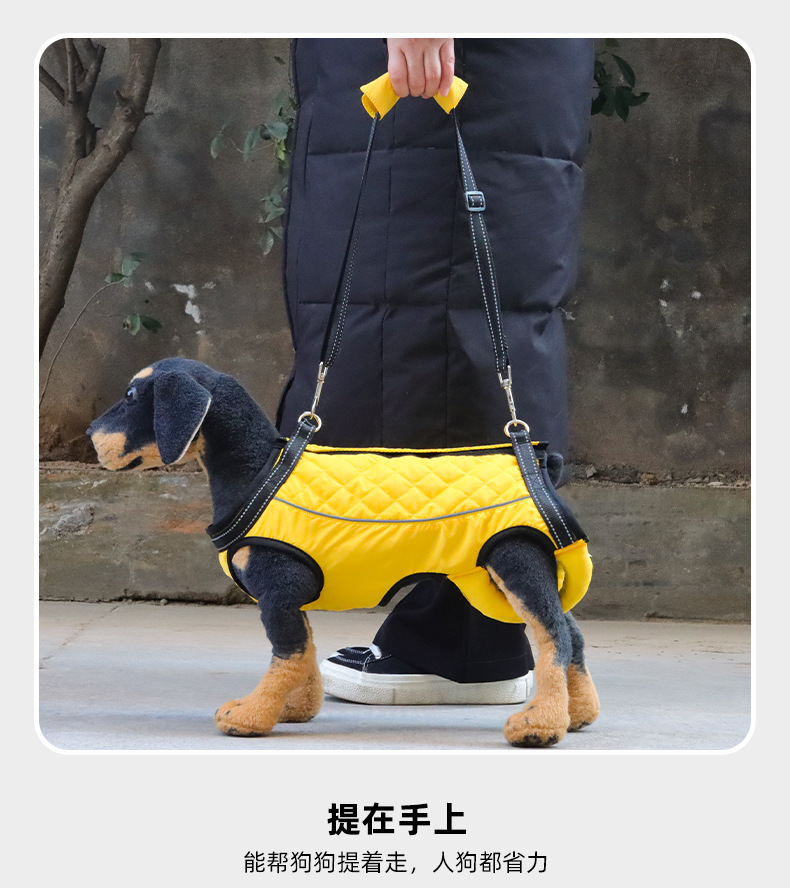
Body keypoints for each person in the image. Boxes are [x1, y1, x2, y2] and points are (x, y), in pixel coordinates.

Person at [276, 37, 595, 704]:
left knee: (430, 322)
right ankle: (476, 630)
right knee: (471, 310)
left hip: (448, 56)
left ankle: (463, 637)